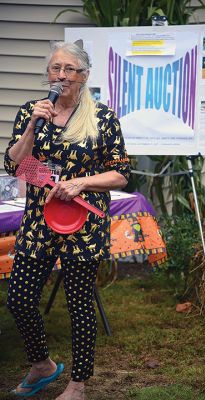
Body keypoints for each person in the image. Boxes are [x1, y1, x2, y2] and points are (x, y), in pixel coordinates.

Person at [4, 40, 130, 400]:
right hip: (39, 220)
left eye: (68, 69)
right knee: (19, 297)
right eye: (55, 68)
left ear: (83, 75)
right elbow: (14, 165)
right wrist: (31, 127)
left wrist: (80, 183)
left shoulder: (101, 117)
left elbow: (120, 174)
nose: (60, 75)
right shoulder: (33, 110)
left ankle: (78, 384)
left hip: (83, 225)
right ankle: (42, 365)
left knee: (78, 304)